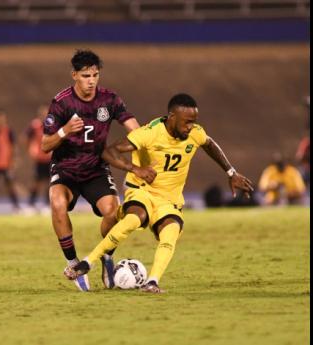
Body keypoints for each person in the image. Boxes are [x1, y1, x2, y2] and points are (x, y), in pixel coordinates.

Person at [64, 93, 254, 293]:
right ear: (172, 117)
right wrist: (135, 169)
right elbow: (109, 151)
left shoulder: (195, 133)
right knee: (134, 219)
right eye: (186, 122)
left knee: (170, 233)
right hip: (142, 191)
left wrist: (231, 172)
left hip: (169, 200)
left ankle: (152, 282)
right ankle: (87, 263)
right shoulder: (149, 133)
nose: (190, 127)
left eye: (193, 122)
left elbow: (209, 143)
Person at [41, 49, 139, 291]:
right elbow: (45, 145)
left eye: (95, 75)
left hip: (95, 168)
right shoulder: (61, 102)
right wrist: (64, 131)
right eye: (86, 75)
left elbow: (135, 129)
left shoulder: (110, 100)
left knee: (113, 211)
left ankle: (106, 256)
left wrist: (143, 144)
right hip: (66, 168)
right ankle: (74, 265)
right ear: (74, 75)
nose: (91, 80)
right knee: (57, 204)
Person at [24, 104, 52, 214]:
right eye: (42, 113)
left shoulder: (53, 125)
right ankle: (31, 204)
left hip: (50, 158)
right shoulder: (34, 125)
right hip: (39, 159)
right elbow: (26, 138)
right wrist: (30, 150)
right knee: (36, 182)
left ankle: (48, 205)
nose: (44, 115)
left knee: (49, 183)